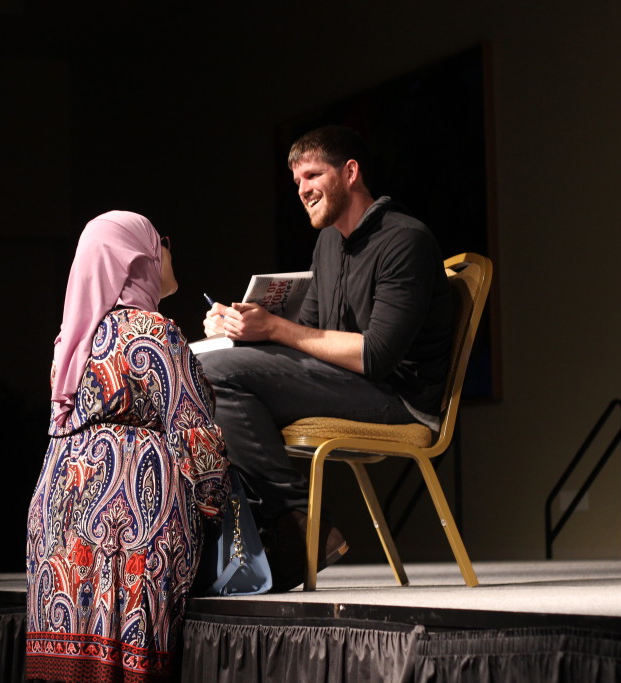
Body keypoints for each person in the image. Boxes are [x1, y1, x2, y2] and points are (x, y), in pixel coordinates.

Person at [198, 125, 453, 591]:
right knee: (212, 368)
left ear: (350, 173)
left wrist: (275, 328)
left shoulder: (405, 240)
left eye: (313, 175)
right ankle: (289, 526)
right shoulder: (329, 244)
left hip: (398, 397)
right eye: (296, 182)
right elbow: (305, 339)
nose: (303, 191)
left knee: (219, 376)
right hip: (347, 382)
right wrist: (241, 330)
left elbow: (377, 356)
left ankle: (298, 528)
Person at [26, 211, 229, 682]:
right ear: (137, 257)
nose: (168, 251)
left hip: (59, 529)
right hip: (131, 531)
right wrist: (216, 509)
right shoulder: (153, 332)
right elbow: (196, 439)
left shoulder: (70, 343)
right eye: (162, 242)